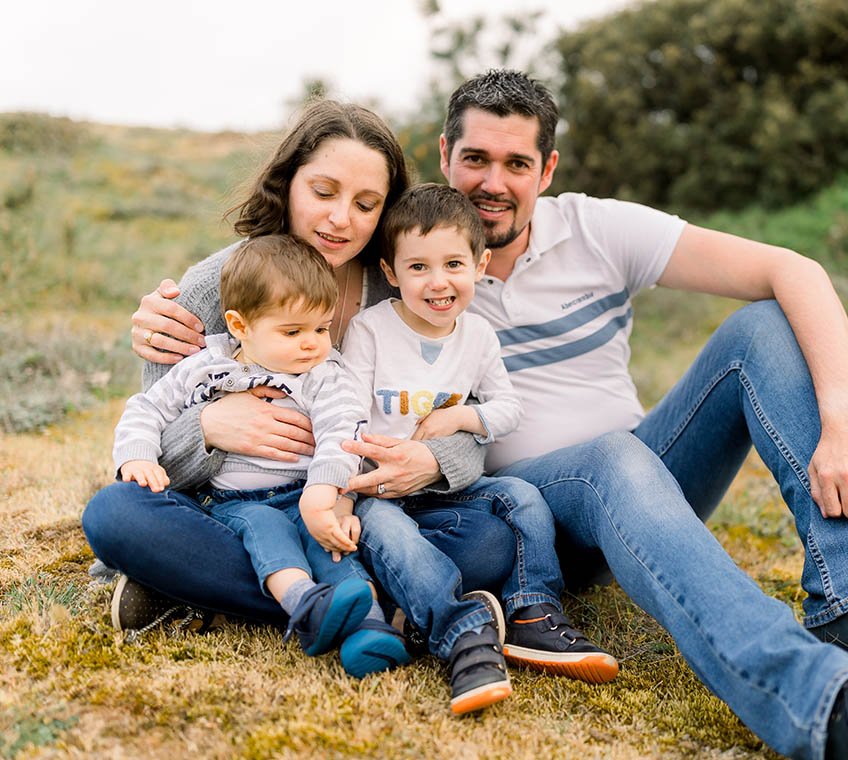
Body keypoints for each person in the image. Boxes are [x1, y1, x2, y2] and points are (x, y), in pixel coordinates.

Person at [125, 75, 848, 759]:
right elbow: (198, 382)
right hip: (502, 511)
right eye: (475, 160)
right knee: (608, 461)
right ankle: (829, 712)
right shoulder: (376, 262)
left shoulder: (588, 231)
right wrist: (182, 378)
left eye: (518, 164)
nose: (493, 183)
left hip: (620, 486)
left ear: (547, 170)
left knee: (759, 331)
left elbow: (796, 268)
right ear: (444, 161)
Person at [82, 99, 515, 636]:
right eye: (323, 192)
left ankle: (205, 592)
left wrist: (432, 460)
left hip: (369, 513)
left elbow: (469, 415)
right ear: (288, 184)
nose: (341, 219)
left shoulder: (407, 285)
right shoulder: (213, 288)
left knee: (489, 540)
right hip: (242, 511)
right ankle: (378, 608)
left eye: (366, 203)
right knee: (116, 514)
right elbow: (154, 455)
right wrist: (210, 429)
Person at [338, 182, 617, 714]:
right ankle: (459, 631)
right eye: (417, 267)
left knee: (518, 496)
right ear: (391, 273)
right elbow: (346, 410)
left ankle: (533, 610)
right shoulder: (371, 329)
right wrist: (351, 483)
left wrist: (461, 415)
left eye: (452, 264)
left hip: (443, 491)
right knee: (394, 535)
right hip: (378, 490)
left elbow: (509, 409)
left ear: (480, 264)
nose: (438, 282)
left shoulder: (479, 336)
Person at [101, 234, 410, 676]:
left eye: (321, 328)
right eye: (293, 331)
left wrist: (323, 495)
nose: (312, 344)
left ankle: (371, 630)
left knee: (336, 549)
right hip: (237, 503)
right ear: (240, 326)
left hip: (307, 494)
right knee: (266, 532)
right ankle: (306, 606)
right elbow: (149, 406)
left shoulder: (325, 374)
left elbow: (343, 430)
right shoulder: (206, 365)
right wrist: (138, 456)